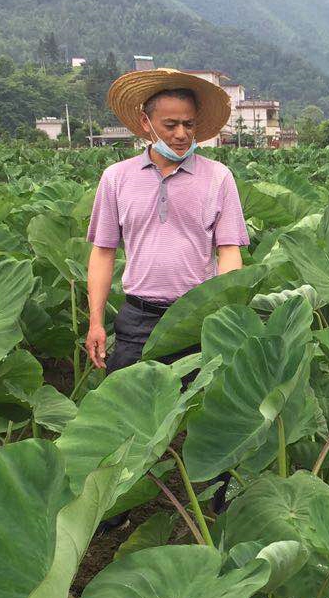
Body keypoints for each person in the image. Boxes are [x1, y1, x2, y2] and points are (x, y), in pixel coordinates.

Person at [84, 68, 250, 372]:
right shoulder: (116, 178)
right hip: (138, 318)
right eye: (170, 125)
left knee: (196, 412)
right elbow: (103, 251)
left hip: (197, 317)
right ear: (146, 123)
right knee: (130, 413)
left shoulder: (218, 177)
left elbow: (228, 251)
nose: (181, 134)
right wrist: (95, 321)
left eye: (189, 124)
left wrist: (225, 313)